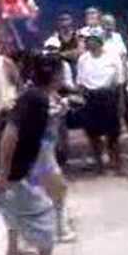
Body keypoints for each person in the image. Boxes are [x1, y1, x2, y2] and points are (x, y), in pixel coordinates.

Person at [0, 54, 74, 255]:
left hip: (1, 167)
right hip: (9, 170)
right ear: (56, 75)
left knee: (13, 210)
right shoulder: (36, 99)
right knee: (45, 214)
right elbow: (10, 134)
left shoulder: (34, 95)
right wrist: (4, 175)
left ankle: (12, 252)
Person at [28, 50, 77, 243]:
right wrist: (57, 112)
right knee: (57, 188)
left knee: (51, 189)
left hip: (46, 149)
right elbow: (40, 120)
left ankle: (53, 227)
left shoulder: (48, 93)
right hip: (40, 150)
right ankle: (58, 230)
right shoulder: (40, 97)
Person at [77, 30, 123, 174]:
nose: (89, 43)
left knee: (113, 134)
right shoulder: (83, 59)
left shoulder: (113, 57)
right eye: (87, 40)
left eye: (93, 40)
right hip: (90, 98)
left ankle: (116, 164)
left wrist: (121, 102)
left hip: (109, 96)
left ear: (100, 41)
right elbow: (80, 82)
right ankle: (99, 164)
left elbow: (120, 82)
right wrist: (81, 99)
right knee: (93, 134)